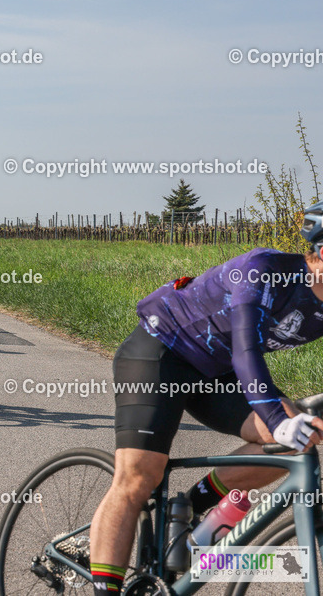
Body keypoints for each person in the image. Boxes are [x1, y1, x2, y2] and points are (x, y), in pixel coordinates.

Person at [87, 201, 323, 595]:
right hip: (162, 352)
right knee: (140, 475)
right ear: (317, 252)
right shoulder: (263, 269)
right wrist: (279, 421)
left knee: (297, 447)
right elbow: (245, 350)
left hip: (217, 373)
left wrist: (292, 423)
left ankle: (194, 504)